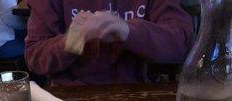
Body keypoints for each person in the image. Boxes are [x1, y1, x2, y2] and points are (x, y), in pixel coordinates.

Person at [25, 0, 194, 85]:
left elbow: (182, 44)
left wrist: (128, 31)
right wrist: (74, 39)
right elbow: (34, 58)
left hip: (138, 95)